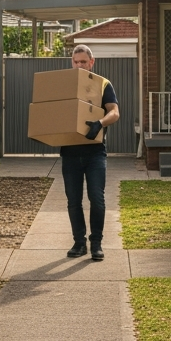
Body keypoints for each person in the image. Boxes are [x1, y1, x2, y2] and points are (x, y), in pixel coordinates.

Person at [62, 44, 119, 261]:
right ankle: (79, 243)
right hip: (69, 151)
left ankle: (96, 244)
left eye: (83, 62)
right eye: (75, 62)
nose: (79, 65)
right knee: (73, 201)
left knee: (97, 198)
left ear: (91, 62)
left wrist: (100, 123)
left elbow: (115, 112)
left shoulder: (102, 84)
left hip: (95, 153)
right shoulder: (64, 85)